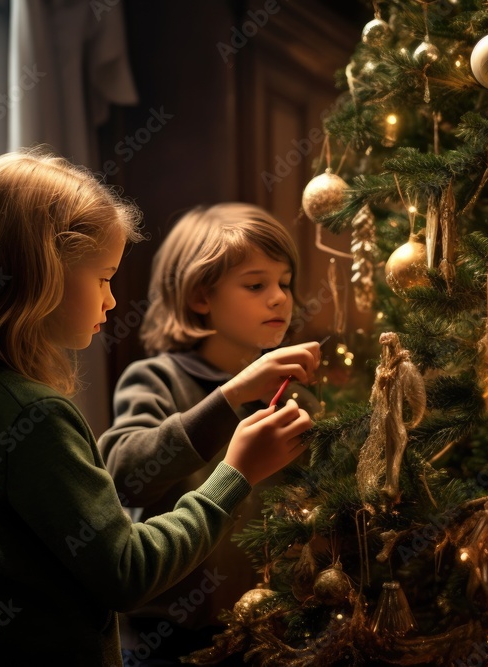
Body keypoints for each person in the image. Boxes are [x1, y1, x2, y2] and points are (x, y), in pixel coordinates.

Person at [0, 151, 313, 665]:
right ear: (40, 274)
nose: (111, 300)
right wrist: (235, 472)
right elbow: (126, 571)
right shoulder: (30, 412)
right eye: (103, 277)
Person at [97, 203, 322, 664]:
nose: (279, 297)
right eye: (256, 285)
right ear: (201, 297)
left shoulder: (296, 397)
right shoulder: (156, 378)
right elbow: (124, 474)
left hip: (275, 632)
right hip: (172, 637)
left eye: (284, 282)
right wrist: (230, 397)